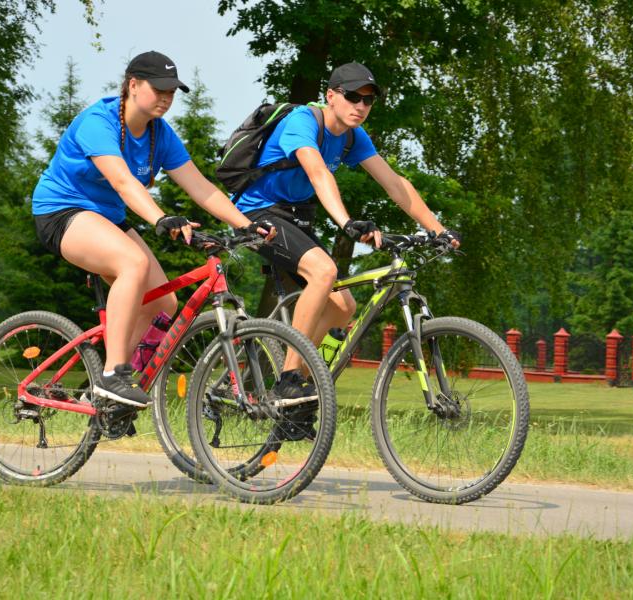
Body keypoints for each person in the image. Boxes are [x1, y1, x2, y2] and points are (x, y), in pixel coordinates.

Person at [32, 51, 272, 408]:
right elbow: (122, 181)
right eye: (159, 89)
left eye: (172, 91)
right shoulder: (99, 122)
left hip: (107, 218)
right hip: (61, 211)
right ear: (132, 85)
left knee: (163, 300)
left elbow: (200, 186)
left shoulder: (160, 135)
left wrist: (246, 224)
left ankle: (101, 394)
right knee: (133, 263)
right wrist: (161, 218)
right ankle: (113, 375)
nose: (166, 97)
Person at [234, 62, 461, 398]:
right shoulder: (302, 121)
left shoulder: (353, 136)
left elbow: (394, 183)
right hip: (256, 212)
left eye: (368, 100)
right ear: (330, 95)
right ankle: (288, 381)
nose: (360, 105)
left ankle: (298, 393)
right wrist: (347, 222)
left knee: (343, 306)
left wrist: (438, 230)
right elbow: (318, 173)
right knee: (323, 271)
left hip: (296, 215)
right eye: (353, 96)